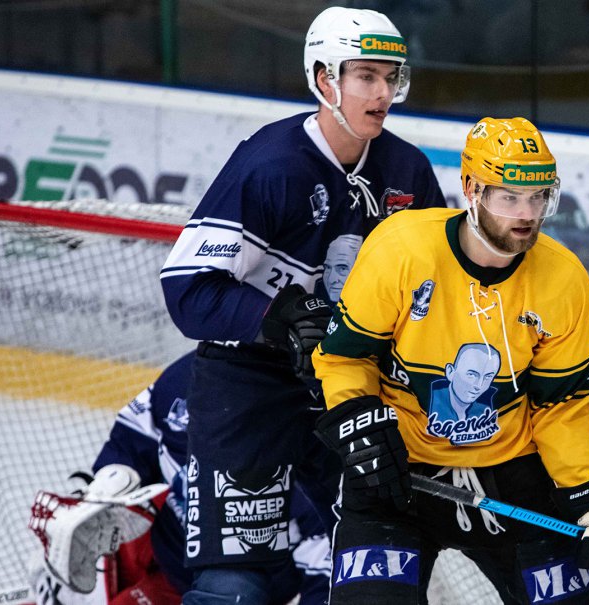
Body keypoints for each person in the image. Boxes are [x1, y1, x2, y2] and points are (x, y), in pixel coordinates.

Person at [158, 6, 446, 603]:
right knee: (233, 588)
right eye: (365, 76)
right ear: (323, 80)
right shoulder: (271, 164)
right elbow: (188, 289)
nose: (382, 92)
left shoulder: (408, 171)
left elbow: (436, 294)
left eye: (391, 77)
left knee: (381, 574)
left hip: (351, 386)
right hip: (251, 384)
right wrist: (276, 318)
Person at [312, 117, 589, 604]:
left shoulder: (564, 280)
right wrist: (361, 427)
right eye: (509, 197)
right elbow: (346, 356)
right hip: (398, 473)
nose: (526, 214)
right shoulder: (401, 250)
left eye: (538, 197)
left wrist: (583, 497)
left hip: (512, 477)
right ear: (471, 189)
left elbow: (561, 406)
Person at [23, 351, 332, 605]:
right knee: (78, 565)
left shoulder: (312, 463)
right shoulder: (190, 380)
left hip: (214, 589)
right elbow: (134, 433)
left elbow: (324, 574)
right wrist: (112, 479)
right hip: (152, 532)